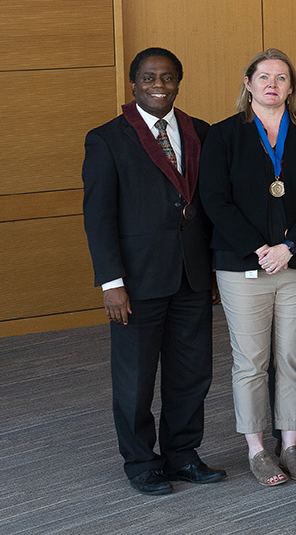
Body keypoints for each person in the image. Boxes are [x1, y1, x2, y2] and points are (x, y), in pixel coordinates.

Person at [85, 47, 228, 495]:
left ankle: (182, 454)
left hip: (192, 275)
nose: (159, 86)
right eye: (149, 78)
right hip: (137, 280)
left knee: (192, 373)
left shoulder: (200, 131)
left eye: (167, 77)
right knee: (136, 377)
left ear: (178, 83)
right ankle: (141, 462)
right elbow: (99, 216)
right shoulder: (107, 139)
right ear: (134, 84)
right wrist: (111, 282)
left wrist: (213, 270)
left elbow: (210, 204)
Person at [200, 48, 296, 488]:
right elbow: (215, 200)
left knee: (294, 357)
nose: (272, 84)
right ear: (248, 83)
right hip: (243, 266)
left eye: (280, 78)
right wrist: (261, 249)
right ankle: (257, 449)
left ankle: (291, 445)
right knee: (251, 361)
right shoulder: (223, 135)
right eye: (263, 77)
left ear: (292, 86)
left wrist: (289, 247)